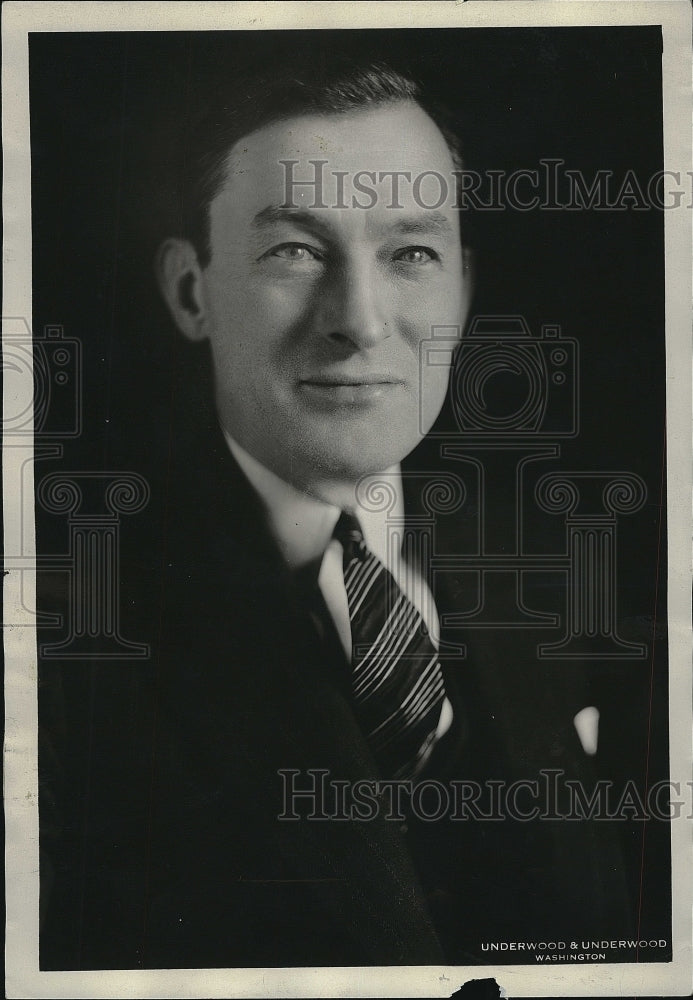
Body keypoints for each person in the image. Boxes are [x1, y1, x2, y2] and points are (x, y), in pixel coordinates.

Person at [39, 56, 630, 970]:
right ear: (191, 291)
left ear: (461, 292)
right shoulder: (63, 631)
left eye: (410, 254)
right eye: (295, 251)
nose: (359, 319)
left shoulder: (563, 558)